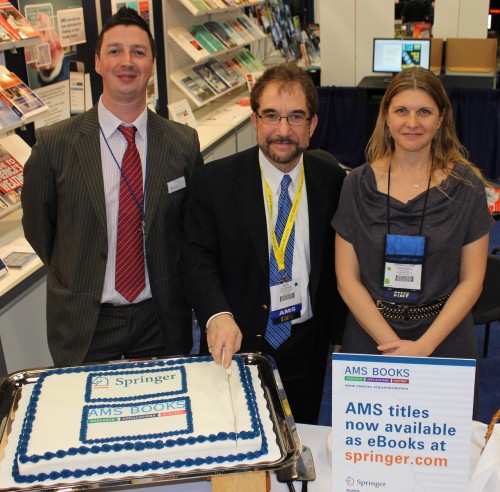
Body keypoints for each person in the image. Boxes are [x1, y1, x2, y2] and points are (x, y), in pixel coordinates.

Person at [21, 7, 203, 366]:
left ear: (152, 63)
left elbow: (191, 230)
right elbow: (40, 230)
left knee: (162, 415)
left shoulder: (183, 143)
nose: (127, 61)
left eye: (138, 52)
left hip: (161, 319)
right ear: (98, 62)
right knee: (88, 419)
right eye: (115, 51)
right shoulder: (56, 144)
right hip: (86, 321)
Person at [180, 63, 347, 424]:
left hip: (307, 342)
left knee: (299, 434)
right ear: (254, 122)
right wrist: (216, 314)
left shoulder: (332, 180)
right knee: (237, 441)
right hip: (237, 340)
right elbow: (196, 259)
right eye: (271, 116)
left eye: (296, 117)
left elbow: (338, 262)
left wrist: (340, 332)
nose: (283, 130)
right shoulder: (215, 181)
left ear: (312, 126)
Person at [332, 67, 494, 413]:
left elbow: (472, 280)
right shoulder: (356, 185)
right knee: (372, 454)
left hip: (445, 336)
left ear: (441, 119)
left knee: (439, 453)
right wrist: (392, 345)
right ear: (386, 116)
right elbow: (347, 280)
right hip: (370, 336)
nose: (412, 122)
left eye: (424, 111)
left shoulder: (466, 186)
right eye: (401, 110)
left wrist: (422, 347)